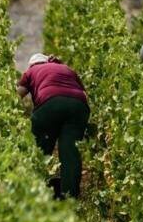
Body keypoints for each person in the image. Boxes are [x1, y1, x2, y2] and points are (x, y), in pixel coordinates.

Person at [17, 53, 89, 199]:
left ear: (32, 65)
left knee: (40, 149)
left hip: (50, 103)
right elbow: (84, 92)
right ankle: (70, 196)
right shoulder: (65, 68)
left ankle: (37, 189)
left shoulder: (31, 71)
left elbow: (18, 95)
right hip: (78, 105)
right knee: (70, 151)